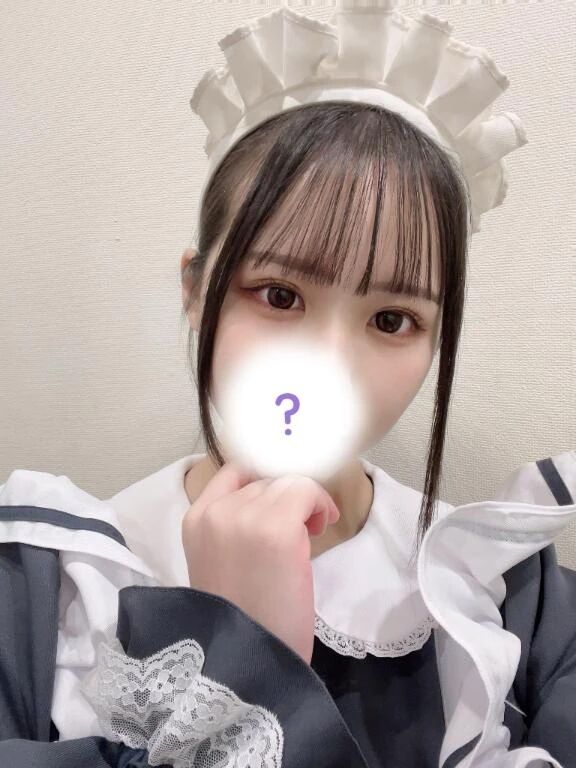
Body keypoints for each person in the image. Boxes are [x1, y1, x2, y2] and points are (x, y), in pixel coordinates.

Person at [1, 3, 575, 767]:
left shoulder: (507, 591)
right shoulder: (47, 582)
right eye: (279, 295)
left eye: (393, 319)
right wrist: (240, 652)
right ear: (195, 291)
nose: (327, 366)